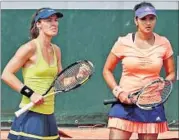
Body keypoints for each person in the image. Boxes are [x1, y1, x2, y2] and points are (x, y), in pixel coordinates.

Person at [103, 2, 175, 140]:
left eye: (151, 18)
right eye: (143, 19)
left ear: (155, 19)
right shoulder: (123, 42)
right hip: (125, 104)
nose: (148, 23)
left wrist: (164, 83)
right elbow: (107, 70)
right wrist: (119, 92)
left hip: (151, 104)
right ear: (136, 20)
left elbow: (171, 73)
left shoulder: (164, 43)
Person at [1, 7, 70, 140]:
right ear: (38, 24)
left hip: (49, 114)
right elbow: (6, 74)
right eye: (49, 20)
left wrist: (78, 77)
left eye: (56, 20)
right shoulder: (29, 48)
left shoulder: (57, 50)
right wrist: (31, 94)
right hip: (30, 115)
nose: (54, 23)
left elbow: (60, 81)